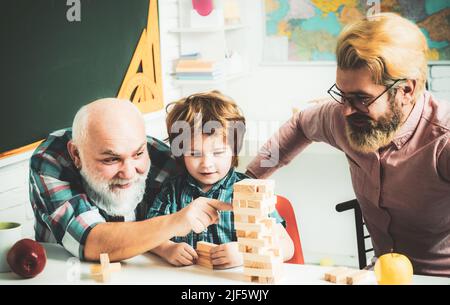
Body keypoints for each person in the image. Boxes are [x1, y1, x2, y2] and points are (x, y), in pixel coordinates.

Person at [246, 13, 450, 276]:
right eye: (342, 95)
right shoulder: (343, 117)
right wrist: (249, 178)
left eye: (361, 98)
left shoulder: (443, 140)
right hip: (378, 274)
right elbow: (298, 127)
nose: (345, 111)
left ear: (406, 90)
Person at [29, 98, 231, 262]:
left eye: (138, 154)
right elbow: (91, 241)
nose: (128, 173)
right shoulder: (51, 160)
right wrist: (174, 223)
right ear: (76, 154)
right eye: (111, 159)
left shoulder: (161, 157)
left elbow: (218, 185)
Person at [148, 91, 294, 268]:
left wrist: (246, 253)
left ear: (234, 150)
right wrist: (167, 249)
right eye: (194, 154)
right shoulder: (172, 190)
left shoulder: (250, 192)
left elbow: (286, 247)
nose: (206, 164)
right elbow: (148, 234)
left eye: (218, 153)